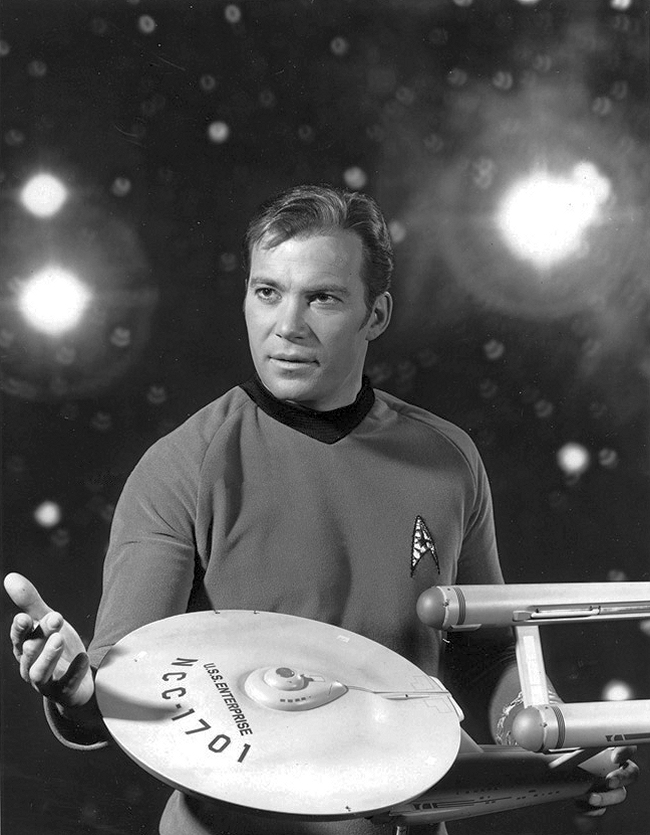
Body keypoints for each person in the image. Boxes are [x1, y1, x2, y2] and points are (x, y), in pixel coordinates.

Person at [5, 185, 638, 835]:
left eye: (323, 297)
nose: (288, 325)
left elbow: (486, 657)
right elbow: (121, 689)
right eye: (268, 292)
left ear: (376, 313)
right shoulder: (182, 466)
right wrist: (73, 688)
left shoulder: (448, 460)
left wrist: (558, 744)